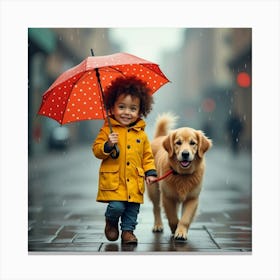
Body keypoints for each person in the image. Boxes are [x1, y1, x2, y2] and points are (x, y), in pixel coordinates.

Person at [92, 76, 158, 244]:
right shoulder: (108, 130)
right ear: (112, 107)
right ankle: (111, 221)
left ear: (140, 110)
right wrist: (107, 145)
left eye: (133, 108)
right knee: (117, 207)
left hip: (134, 180)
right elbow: (97, 151)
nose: (127, 112)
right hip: (115, 181)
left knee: (132, 210)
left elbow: (147, 156)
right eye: (121, 107)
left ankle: (128, 233)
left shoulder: (141, 134)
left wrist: (150, 172)